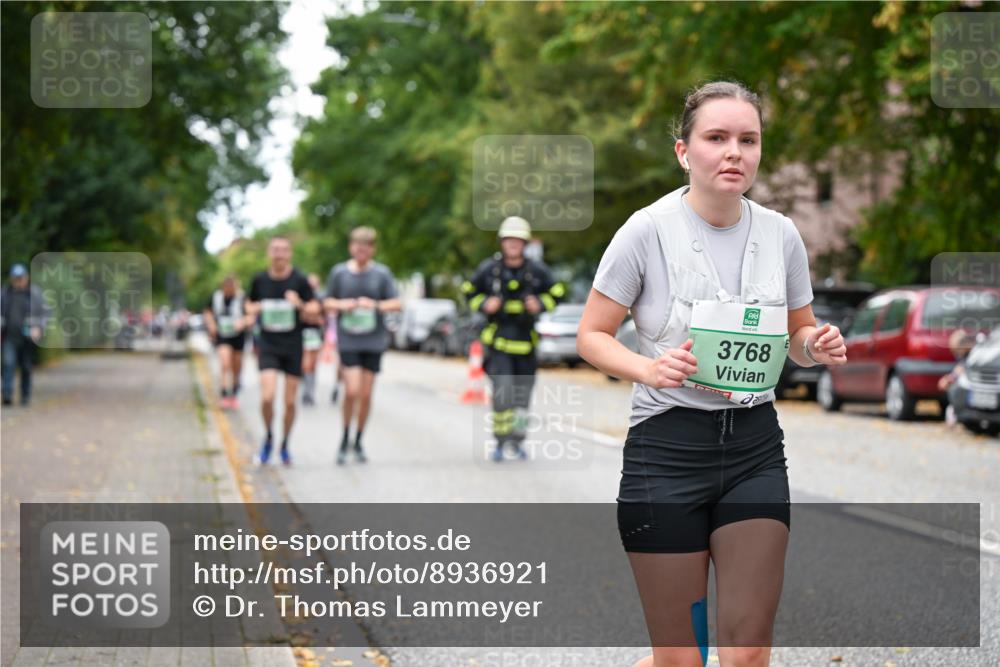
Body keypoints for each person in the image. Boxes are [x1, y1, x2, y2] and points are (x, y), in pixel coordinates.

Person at [576, 81, 847, 667]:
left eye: (748, 140)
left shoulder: (781, 234)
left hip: (753, 450)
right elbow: (591, 335)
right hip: (665, 453)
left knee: (746, 653)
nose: (734, 152)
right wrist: (649, 366)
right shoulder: (645, 231)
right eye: (717, 138)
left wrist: (816, 344)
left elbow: (796, 337)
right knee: (682, 659)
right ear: (684, 152)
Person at [461, 217, 565, 462]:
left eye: (518, 240)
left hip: (526, 345)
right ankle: (500, 442)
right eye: (509, 240)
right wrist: (485, 304)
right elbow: (469, 292)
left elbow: (558, 293)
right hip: (498, 345)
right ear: (502, 242)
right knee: (502, 394)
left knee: (521, 398)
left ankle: (517, 442)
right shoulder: (490, 269)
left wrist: (540, 303)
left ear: (525, 243)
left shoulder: (537, 270)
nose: (513, 244)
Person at [323, 227, 401, 464]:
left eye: (366, 246)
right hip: (349, 341)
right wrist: (343, 304)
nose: (361, 250)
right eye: (357, 246)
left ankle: (358, 440)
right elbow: (326, 302)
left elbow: (397, 303)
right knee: (352, 391)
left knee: (366, 395)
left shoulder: (382, 274)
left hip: (373, 342)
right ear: (351, 247)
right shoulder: (339, 273)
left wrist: (374, 305)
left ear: (372, 249)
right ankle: (344, 436)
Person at [245, 236, 320, 465]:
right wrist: (254, 308)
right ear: (269, 252)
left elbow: (315, 309)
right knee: (267, 397)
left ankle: (285, 443)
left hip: (292, 346)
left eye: (283, 250)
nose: (279, 253)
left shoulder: (299, 280)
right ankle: (268, 436)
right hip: (268, 344)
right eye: (275, 249)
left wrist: (299, 303)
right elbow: (247, 304)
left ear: (290, 253)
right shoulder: (260, 280)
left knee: (289, 402)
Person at [1, 264, 47, 406]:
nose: (18, 281)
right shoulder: (5, 293)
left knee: (26, 366)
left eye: (21, 278)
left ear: (26, 278)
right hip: (9, 336)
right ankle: (7, 395)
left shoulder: (35, 294)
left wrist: (39, 327)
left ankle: (25, 396)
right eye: (16, 278)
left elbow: (45, 314)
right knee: (8, 364)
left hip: (27, 338)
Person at [203, 275, 248, 409]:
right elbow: (207, 311)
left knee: (236, 366)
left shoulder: (242, 297)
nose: (229, 289)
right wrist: (211, 325)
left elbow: (250, 314)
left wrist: (243, 322)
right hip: (222, 334)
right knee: (225, 362)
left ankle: (233, 393)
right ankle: (224, 393)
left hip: (238, 335)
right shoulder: (216, 297)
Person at [300, 273, 325, 406]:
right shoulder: (302, 297)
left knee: (313, 365)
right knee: (305, 364)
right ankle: (305, 391)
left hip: (316, 334)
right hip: (303, 333)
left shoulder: (320, 297)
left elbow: (321, 319)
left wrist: (311, 315)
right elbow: (303, 316)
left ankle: (310, 391)